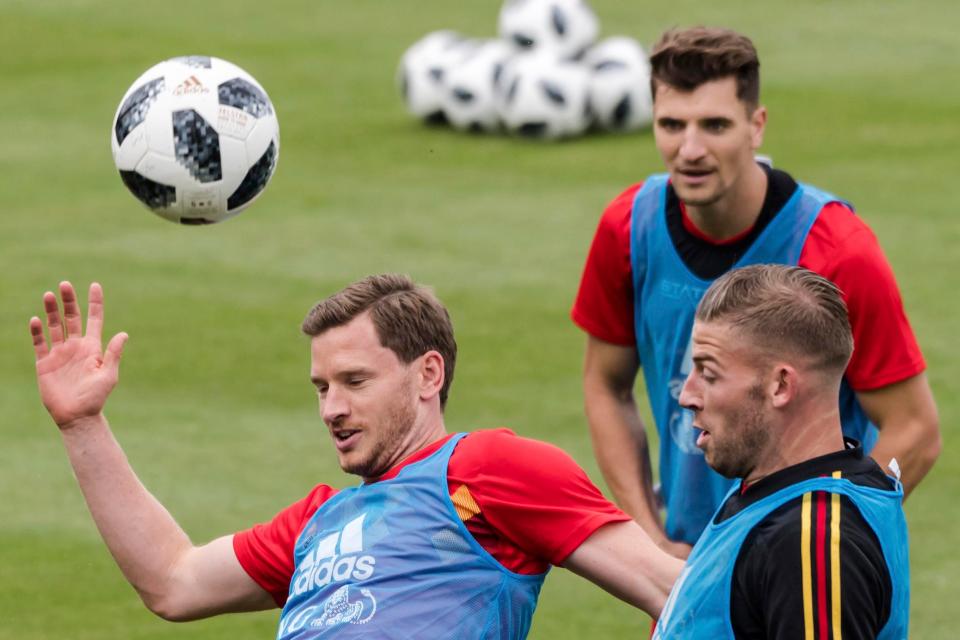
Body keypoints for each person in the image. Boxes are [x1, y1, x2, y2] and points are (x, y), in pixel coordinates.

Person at [29, 276, 682, 639]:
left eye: (354, 382)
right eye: (321, 388)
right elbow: (173, 581)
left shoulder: (485, 467)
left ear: (428, 374)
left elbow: (674, 592)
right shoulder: (317, 522)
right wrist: (83, 424)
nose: (330, 409)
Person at [571, 26, 939, 555]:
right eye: (672, 125)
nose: (690, 149)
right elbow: (605, 385)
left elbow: (915, 430)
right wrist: (648, 539)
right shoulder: (627, 229)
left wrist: (806, 539)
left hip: (805, 564)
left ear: (756, 125)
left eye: (715, 125)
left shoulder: (838, 249)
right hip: (684, 564)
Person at [653, 264, 909, 639]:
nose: (687, 395)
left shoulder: (812, 544)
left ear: (780, 386)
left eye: (708, 374)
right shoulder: (778, 493)